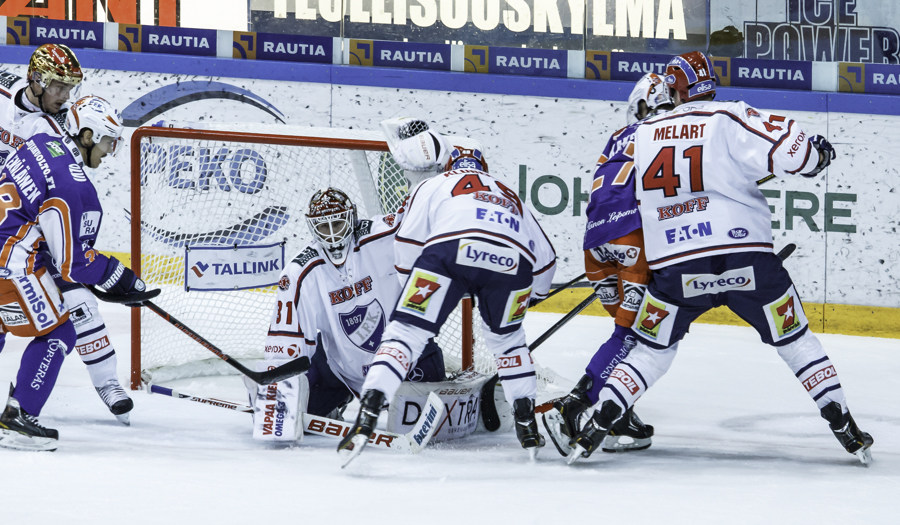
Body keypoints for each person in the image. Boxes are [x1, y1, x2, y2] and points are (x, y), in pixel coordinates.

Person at [567, 51, 873, 465]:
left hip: (676, 268)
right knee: (795, 339)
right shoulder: (729, 116)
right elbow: (795, 152)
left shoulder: (642, 132)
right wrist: (819, 154)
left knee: (652, 350)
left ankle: (602, 419)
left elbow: (618, 191)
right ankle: (842, 422)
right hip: (746, 262)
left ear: (673, 91)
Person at [337, 122, 557, 463]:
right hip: (513, 263)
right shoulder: (509, 192)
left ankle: (369, 410)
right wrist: (534, 294)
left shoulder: (434, 183)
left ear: (449, 163)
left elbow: (407, 245)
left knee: (405, 333)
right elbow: (546, 264)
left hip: (450, 251)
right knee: (509, 341)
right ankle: (526, 421)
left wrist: (419, 291)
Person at [0, 96, 148, 451]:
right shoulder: (75, 187)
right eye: (109, 141)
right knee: (61, 329)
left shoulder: (40, 141)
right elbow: (74, 263)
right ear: (86, 135)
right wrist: (122, 278)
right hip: (11, 263)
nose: (111, 151)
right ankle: (18, 418)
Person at [542, 73, 674, 456]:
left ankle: (620, 416)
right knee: (632, 339)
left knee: (624, 338)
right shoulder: (666, 134)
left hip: (596, 246)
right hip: (632, 242)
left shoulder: (617, 136)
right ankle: (573, 406)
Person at [252, 187, 447, 434]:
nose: (332, 235)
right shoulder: (299, 272)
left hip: (406, 358)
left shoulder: (382, 235)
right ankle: (336, 399)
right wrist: (277, 399)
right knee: (298, 415)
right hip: (339, 367)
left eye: (338, 223)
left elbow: (417, 214)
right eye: (324, 227)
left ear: (352, 218)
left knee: (435, 420)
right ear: (312, 227)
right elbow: (286, 344)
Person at [0, 43, 82, 167]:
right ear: (38, 79)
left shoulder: (65, 129)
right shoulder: (3, 90)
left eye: (69, 89)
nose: (66, 97)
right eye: (60, 88)